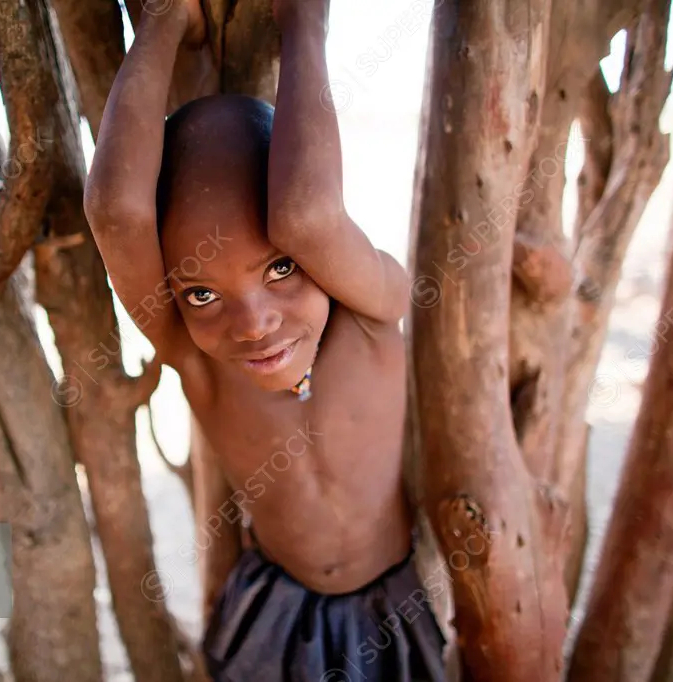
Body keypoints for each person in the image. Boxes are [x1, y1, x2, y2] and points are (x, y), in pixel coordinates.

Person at [83, 1, 447, 680]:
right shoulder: (195, 355)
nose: (252, 324)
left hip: (393, 604)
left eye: (280, 268)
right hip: (276, 613)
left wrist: (303, 20)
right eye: (202, 292)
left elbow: (308, 215)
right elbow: (115, 211)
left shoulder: (373, 308)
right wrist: (164, 22)